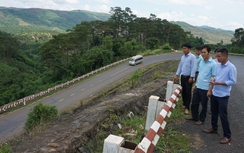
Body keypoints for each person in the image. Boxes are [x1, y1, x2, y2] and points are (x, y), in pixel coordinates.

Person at [203, 48, 237, 144]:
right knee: (214, 112)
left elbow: (233, 81)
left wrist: (220, 83)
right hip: (215, 92)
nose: (216, 58)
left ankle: (227, 135)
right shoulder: (218, 65)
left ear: (225, 56)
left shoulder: (231, 67)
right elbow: (215, 77)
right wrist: (212, 86)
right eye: (216, 56)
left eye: (218, 56)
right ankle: (214, 128)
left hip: (223, 95)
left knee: (223, 115)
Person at [186, 45, 216, 125]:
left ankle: (202, 119)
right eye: (202, 52)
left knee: (204, 105)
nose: (203, 54)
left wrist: (210, 90)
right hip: (198, 86)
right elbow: (199, 73)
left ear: (209, 52)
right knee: (194, 103)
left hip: (205, 87)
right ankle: (194, 116)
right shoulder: (201, 61)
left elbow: (213, 77)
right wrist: (195, 84)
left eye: (204, 52)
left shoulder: (213, 64)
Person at [173, 43, 196, 115]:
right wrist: (177, 75)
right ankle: (184, 104)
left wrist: (192, 77)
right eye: (183, 48)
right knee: (183, 91)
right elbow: (180, 66)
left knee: (188, 92)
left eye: (185, 48)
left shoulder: (192, 57)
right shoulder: (183, 57)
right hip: (183, 76)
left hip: (189, 77)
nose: (184, 50)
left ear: (189, 49)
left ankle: (187, 108)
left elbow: (193, 67)